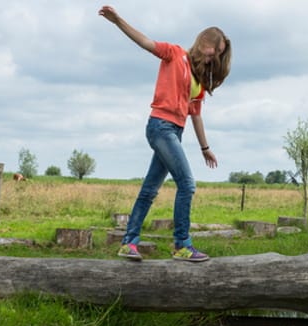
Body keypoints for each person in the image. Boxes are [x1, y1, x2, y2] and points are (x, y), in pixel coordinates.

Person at [99, 5, 231, 262]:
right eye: (217, 49)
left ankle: (128, 243)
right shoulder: (174, 54)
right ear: (206, 42)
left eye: (220, 53)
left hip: (175, 133)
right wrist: (118, 22)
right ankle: (182, 244)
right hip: (160, 126)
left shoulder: (198, 79)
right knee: (187, 184)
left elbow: (196, 115)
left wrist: (205, 148)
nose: (216, 56)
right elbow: (145, 42)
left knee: (149, 190)